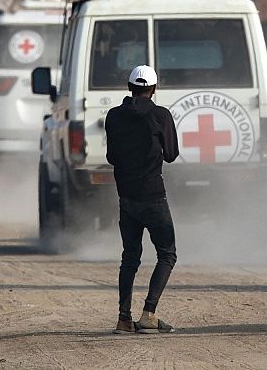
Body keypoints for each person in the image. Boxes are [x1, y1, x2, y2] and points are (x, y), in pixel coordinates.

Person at [104, 64, 180, 334]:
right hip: (154, 197)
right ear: (154, 89)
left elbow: (111, 157)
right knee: (167, 254)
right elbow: (171, 154)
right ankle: (149, 313)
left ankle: (124, 319)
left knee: (130, 257)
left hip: (127, 198)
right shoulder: (161, 115)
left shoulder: (113, 116)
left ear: (129, 88)